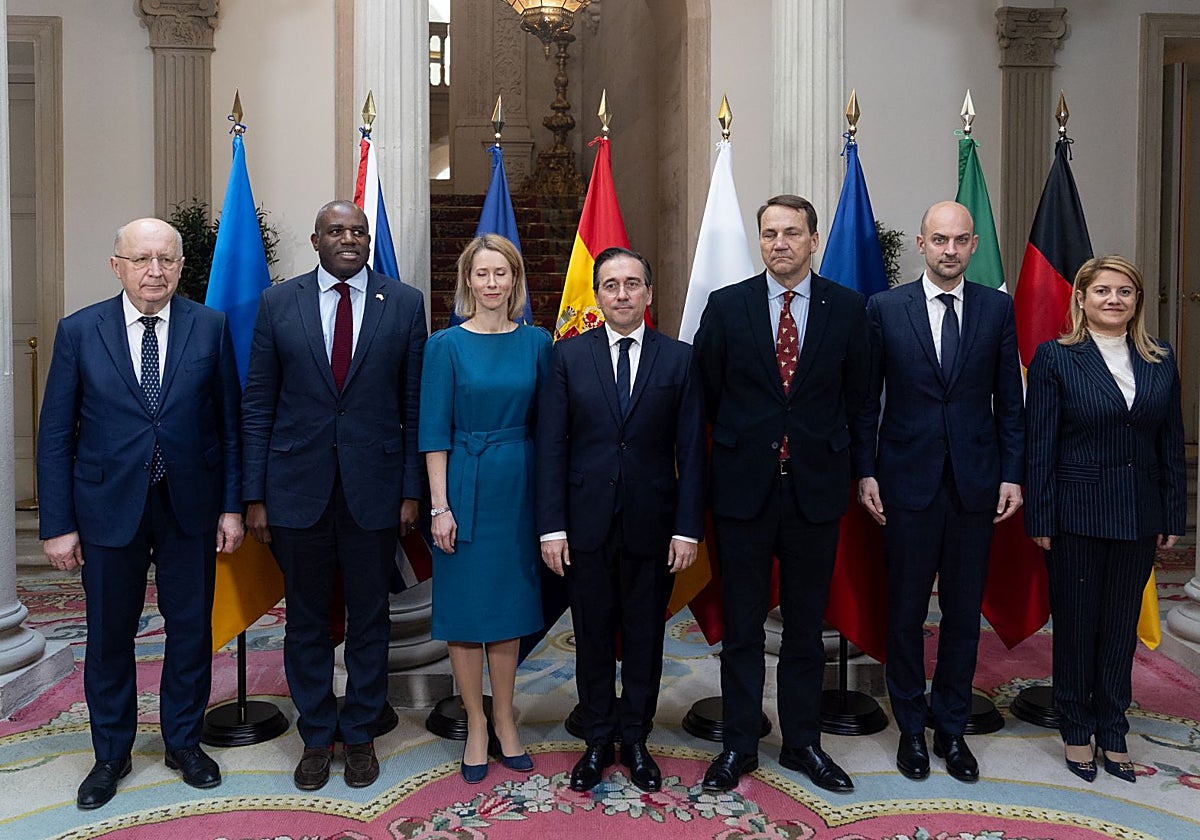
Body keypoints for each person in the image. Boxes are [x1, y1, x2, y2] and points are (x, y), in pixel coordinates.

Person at [38, 218, 243, 809]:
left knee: (189, 631)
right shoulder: (79, 331)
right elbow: (55, 433)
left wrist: (231, 507)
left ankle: (183, 741)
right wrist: (57, 523)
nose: (155, 270)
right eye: (142, 259)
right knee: (108, 636)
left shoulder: (210, 326)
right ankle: (111, 754)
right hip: (105, 508)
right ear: (117, 266)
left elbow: (227, 426)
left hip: (190, 506)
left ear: (182, 266)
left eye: (167, 260)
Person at [242, 200, 426, 791]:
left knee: (372, 617)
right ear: (315, 239)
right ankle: (318, 734)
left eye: (358, 231)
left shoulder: (402, 303)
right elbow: (258, 402)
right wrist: (255, 494)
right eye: (336, 231)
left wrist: (409, 490)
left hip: (374, 492)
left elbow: (413, 406)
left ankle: (363, 730)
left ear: (369, 241)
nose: (349, 238)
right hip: (296, 492)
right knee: (306, 620)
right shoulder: (278, 303)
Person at [693, 195, 869, 794]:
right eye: (769, 234)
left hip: (816, 491)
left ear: (813, 240)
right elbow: (707, 398)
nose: (779, 244)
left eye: (792, 233)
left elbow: (860, 401)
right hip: (743, 492)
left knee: (803, 628)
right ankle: (740, 743)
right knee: (741, 626)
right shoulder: (727, 306)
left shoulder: (847, 310)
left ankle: (802, 743)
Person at [852, 201, 1024, 783]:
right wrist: (866, 470)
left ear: (974, 246)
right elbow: (864, 400)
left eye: (960, 241)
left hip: (976, 484)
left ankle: (950, 729)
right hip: (903, 482)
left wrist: (1012, 472)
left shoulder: (997, 309)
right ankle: (910, 728)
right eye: (939, 240)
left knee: (961, 615)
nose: (950, 251)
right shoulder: (885, 308)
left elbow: (1010, 400)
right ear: (922, 244)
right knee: (904, 613)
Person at [536, 247, 706, 793]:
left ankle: (635, 737)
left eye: (633, 284)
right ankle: (595, 739)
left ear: (649, 294)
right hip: (584, 525)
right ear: (598, 294)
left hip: (654, 527)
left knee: (643, 638)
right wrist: (552, 527)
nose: (623, 294)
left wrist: (687, 527)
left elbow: (691, 452)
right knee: (589, 635)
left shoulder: (678, 359)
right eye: (611, 285)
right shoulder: (567, 357)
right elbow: (551, 447)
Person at [1025, 255, 1185, 784]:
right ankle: (1075, 728)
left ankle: (1113, 728)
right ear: (1083, 299)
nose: (1113, 300)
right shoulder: (1056, 357)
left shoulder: (1160, 358)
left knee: (1119, 629)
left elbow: (1169, 441)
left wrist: (1172, 512)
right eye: (1103, 292)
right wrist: (1041, 514)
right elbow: (1040, 443)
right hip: (1076, 513)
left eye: (1125, 292)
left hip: (1139, 513)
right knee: (1076, 626)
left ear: (1137, 301)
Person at [419, 234, 550, 784]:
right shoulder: (444, 345)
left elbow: (551, 426)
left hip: (520, 486)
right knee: (467, 610)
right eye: (482, 274)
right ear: (467, 281)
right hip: (464, 485)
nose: (492, 284)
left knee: (509, 608)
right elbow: (433, 433)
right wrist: (439, 506)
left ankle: (505, 715)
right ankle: (475, 721)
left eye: (502, 274)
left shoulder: (538, 342)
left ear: (515, 280)